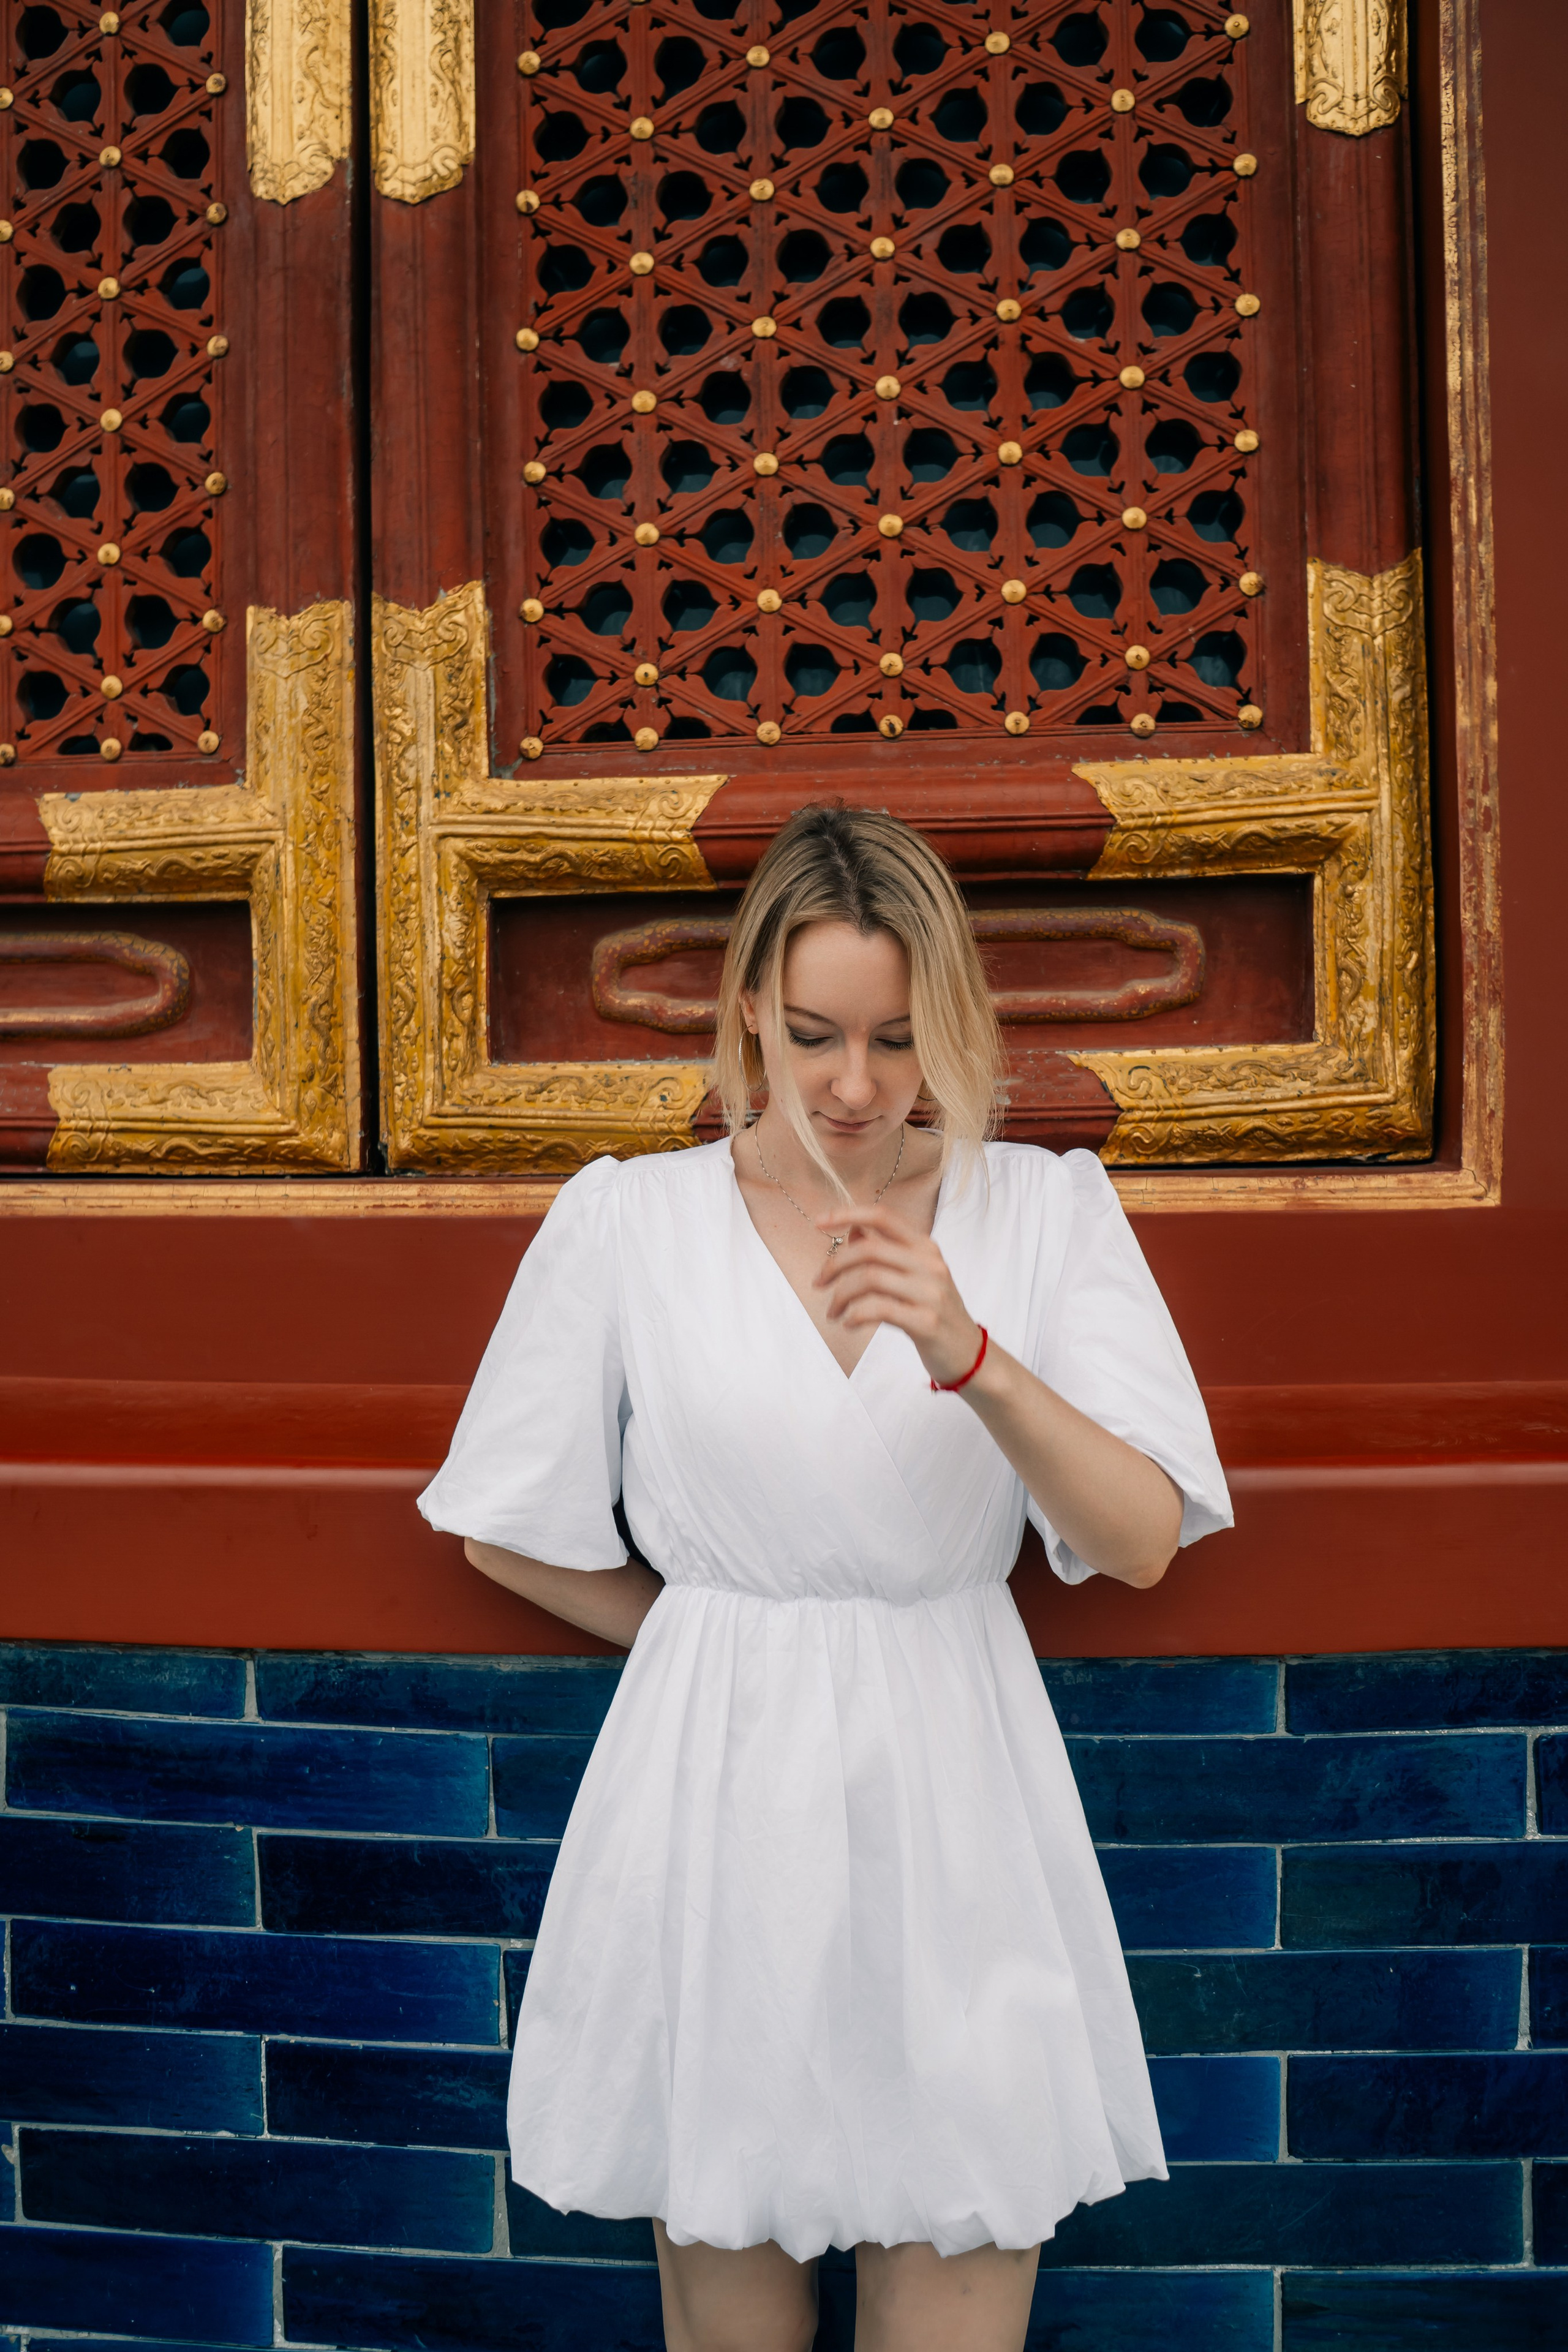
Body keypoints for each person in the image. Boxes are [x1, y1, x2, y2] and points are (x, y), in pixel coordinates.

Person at [419, 805, 1232, 2352]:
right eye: (808, 1037)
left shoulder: (1040, 1213)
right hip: (713, 1796)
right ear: (747, 1016)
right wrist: (713, 1634)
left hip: (955, 1788)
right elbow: (500, 1527)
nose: (853, 1087)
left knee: (959, 2269)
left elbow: (1134, 1539)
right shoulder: (630, 1222)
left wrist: (968, 1354)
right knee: (726, 2302)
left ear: (953, 1026)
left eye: (895, 1037)